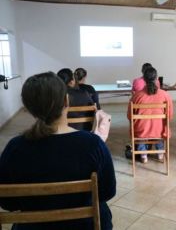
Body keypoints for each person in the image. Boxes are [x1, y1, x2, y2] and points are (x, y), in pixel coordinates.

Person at [0, 72, 116, 230]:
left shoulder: (15, 148)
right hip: (85, 225)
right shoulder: (93, 144)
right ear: (66, 100)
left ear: (28, 108)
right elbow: (107, 192)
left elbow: (7, 202)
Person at [127, 67, 173, 163]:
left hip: (141, 131)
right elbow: (170, 115)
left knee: (141, 129)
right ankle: (160, 152)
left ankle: (143, 155)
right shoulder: (165, 95)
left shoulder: (136, 96)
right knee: (158, 127)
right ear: (156, 78)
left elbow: (129, 116)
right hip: (159, 130)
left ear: (144, 79)